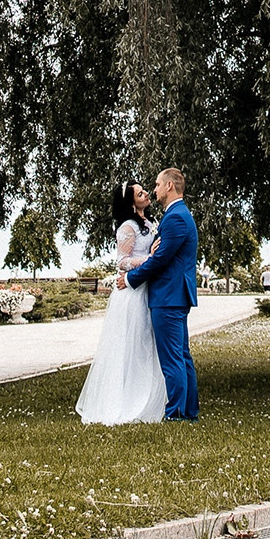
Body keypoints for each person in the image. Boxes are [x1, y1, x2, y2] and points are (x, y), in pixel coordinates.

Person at [75, 180, 165, 424]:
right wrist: (149, 258)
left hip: (148, 288)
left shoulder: (150, 223)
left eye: (144, 191)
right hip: (132, 292)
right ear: (130, 201)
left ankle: (148, 396)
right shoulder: (128, 227)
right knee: (132, 343)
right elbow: (122, 261)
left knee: (147, 342)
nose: (146, 194)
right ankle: (125, 399)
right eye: (139, 193)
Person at [125, 166, 199, 421]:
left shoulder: (176, 216)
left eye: (157, 184)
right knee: (181, 356)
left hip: (168, 296)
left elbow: (160, 260)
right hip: (174, 295)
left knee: (172, 359)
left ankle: (177, 413)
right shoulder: (176, 214)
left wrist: (129, 278)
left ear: (169, 186)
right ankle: (188, 411)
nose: (154, 189)